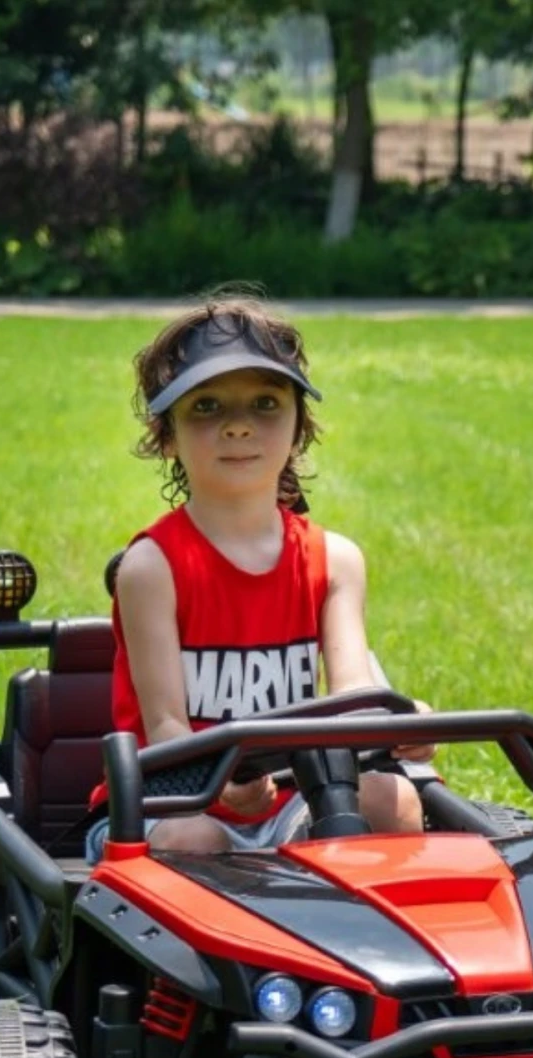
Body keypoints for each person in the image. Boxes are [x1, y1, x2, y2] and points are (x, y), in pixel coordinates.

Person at [87, 293, 428, 861]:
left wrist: (403, 725)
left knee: (393, 801)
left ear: (299, 429)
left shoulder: (335, 560)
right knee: (192, 840)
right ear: (166, 436)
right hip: (166, 806)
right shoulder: (152, 567)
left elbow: (354, 699)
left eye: (265, 404)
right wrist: (221, 780)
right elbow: (166, 724)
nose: (239, 427)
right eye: (207, 407)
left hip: (296, 800)